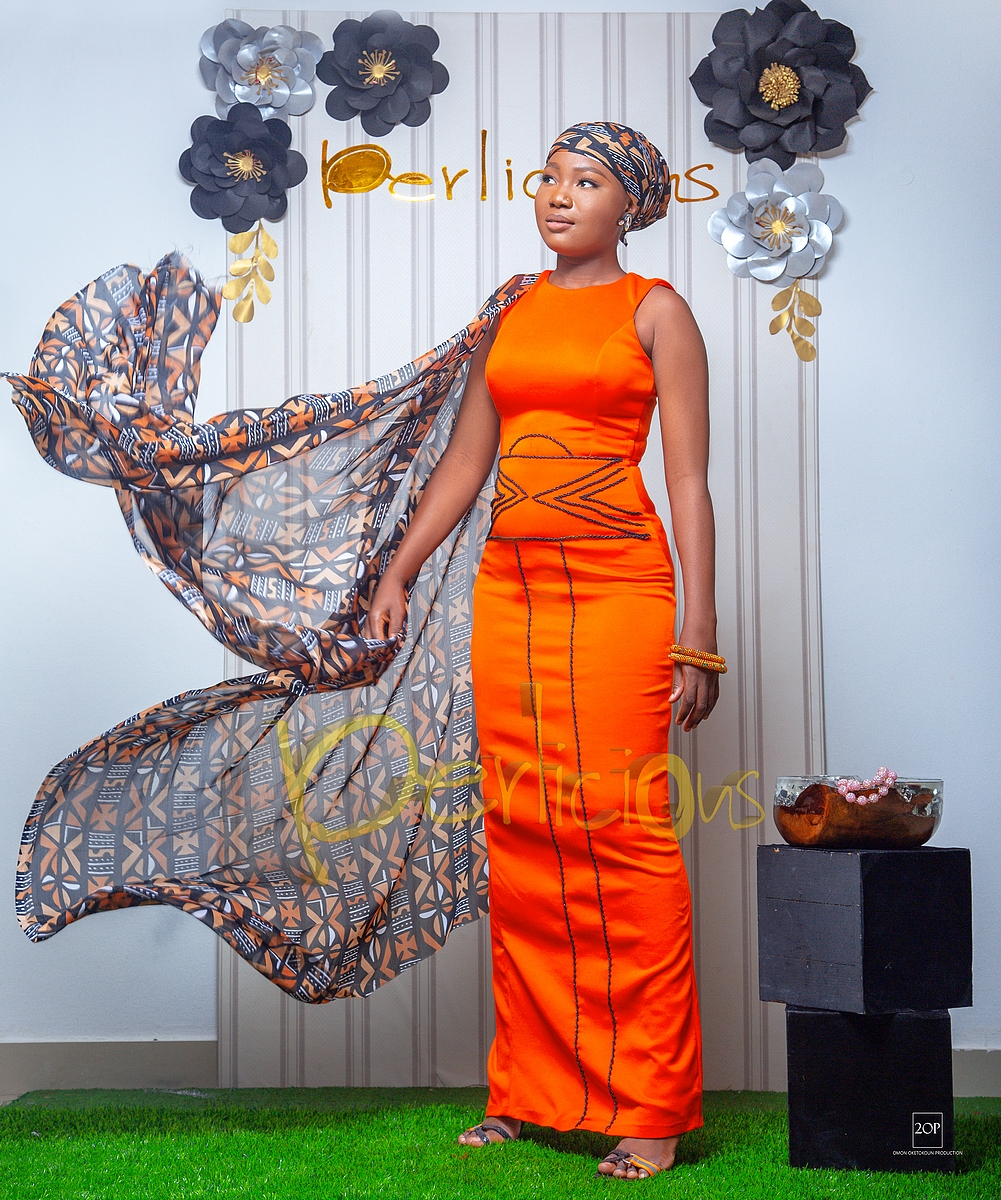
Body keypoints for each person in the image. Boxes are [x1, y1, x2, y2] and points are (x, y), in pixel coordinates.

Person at [368, 121, 722, 1183]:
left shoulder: (656, 310)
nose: (559, 196)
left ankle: (651, 1106)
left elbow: (688, 481)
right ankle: (526, 1091)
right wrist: (398, 570)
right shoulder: (510, 311)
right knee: (522, 831)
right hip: (510, 594)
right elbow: (465, 463)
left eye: (587, 181)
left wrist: (698, 630)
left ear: (631, 205)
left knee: (621, 830)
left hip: (619, 590)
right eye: (550, 178)